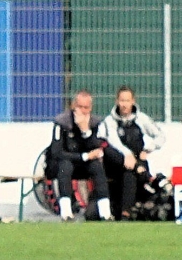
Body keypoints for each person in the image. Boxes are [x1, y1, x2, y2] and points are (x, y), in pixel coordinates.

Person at [44, 89, 113, 220]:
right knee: (65, 166)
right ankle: (66, 213)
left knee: (97, 166)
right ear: (73, 106)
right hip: (62, 165)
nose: (82, 111)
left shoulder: (96, 123)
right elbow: (57, 153)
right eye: (79, 107)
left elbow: (97, 148)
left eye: (86, 108)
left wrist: (85, 131)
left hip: (84, 166)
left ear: (90, 108)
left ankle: (106, 213)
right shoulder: (61, 122)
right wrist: (84, 156)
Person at [97, 86, 163, 220]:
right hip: (118, 164)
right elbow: (113, 141)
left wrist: (148, 149)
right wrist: (127, 155)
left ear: (133, 101)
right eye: (122, 100)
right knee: (124, 165)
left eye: (127, 101)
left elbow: (161, 136)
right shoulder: (109, 121)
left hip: (137, 163)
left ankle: (126, 213)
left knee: (129, 172)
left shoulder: (142, 119)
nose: (124, 104)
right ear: (117, 101)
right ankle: (126, 213)